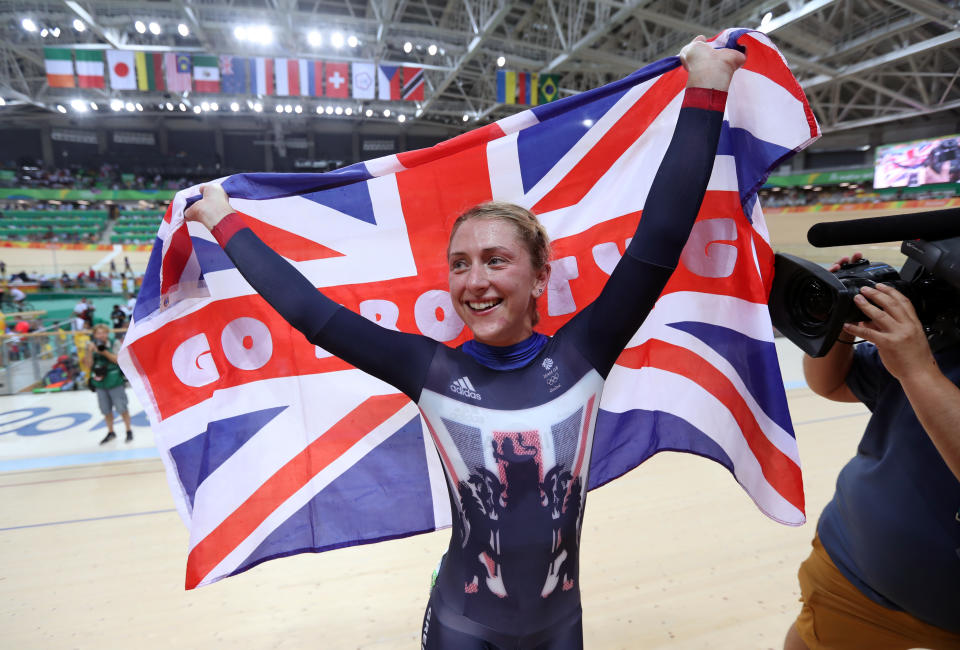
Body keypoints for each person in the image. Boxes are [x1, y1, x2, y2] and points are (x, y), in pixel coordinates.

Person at [186, 37, 744, 650]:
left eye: (495, 260)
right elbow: (314, 315)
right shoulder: (429, 369)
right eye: (459, 264)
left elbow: (661, 234)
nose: (474, 281)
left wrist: (707, 85)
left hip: (561, 629)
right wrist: (224, 222)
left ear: (538, 278)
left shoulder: (584, 352)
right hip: (462, 626)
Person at [783, 253, 960, 650]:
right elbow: (832, 383)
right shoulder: (938, 341)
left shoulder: (920, 359)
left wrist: (917, 370)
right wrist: (839, 322)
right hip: (852, 570)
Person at [83, 323, 133, 445]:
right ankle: (111, 432)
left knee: (122, 407)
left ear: (107, 333)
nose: (101, 335)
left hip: (115, 380)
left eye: (103, 332)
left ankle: (128, 430)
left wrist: (103, 351)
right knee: (105, 409)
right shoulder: (90, 346)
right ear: (94, 335)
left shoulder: (114, 343)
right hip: (100, 382)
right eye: (98, 333)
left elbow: (117, 360)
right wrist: (89, 352)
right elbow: (88, 365)